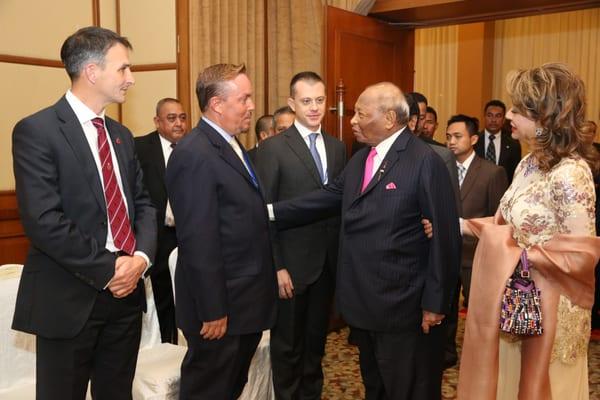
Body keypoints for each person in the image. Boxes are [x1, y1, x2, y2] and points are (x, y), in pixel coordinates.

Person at [272, 82, 461, 400]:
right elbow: (327, 197)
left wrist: (436, 303)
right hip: (364, 303)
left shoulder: (424, 161)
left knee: (407, 387)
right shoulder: (361, 159)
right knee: (375, 384)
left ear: (389, 118)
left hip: (404, 306)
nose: (352, 120)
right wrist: (269, 212)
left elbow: (445, 238)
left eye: (360, 113)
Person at [11, 26, 157, 400]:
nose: (131, 78)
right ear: (92, 71)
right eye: (123, 69)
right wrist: (110, 269)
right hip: (69, 297)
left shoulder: (122, 135)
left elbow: (142, 203)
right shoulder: (37, 131)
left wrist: (139, 259)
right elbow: (44, 221)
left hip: (125, 295)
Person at [457, 63, 600, 400]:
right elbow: (507, 223)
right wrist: (463, 225)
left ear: (546, 118)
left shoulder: (572, 173)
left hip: (551, 318)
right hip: (516, 305)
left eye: (519, 109)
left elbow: (580, 257)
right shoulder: (527, 163)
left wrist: (516, 256)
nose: (508, 114)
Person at [165, 63, 277, 399]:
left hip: (243, 302)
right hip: (219, 309)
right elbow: (198, 239)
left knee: (228, 388)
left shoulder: (229, 144)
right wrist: (213, 309)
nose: (252, 106)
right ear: (217, 104)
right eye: (244, 98)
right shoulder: (194, 153)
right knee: (208, 390)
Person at [255, 71, 346, 400]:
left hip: (326, 264)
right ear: (292, 103)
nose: (314, 108)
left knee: (315, 346)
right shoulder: (274, 149)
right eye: (306, 101)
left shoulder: (337, 148)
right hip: (289, 267)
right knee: (287, 348)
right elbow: (263, 213)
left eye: (320, 100)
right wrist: (276, 265)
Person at [135, 97, 188, 344]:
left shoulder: (194, 147)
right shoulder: (139, 148)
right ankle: (168, 344)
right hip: (158, 235)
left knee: (189, 294)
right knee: (163, 295)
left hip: (189, 235)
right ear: (157, 122)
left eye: (182, 117)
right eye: (171, 118)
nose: (178, 124)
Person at [445, 114, 508, 306]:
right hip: (446, 253)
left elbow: (498, 220)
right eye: (448, 137)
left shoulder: (492, 172)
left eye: (457, 136)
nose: (451, 142)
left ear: (473, 139)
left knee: (479, 312)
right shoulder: (441, 168)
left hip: (475, 256)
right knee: (443, 314)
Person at [475, 99, 522, 183]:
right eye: (490, 115)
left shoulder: (513, 144)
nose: (493, 120)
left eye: (498, 116)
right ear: (484, 117)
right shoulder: (474, 141)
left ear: (504, 119)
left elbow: (515, 174)